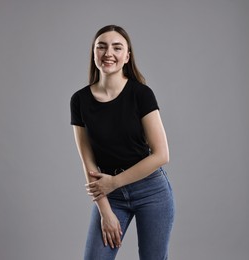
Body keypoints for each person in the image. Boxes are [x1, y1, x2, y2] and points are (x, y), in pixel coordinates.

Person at [70, 25, 174, 260]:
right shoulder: (79, 100)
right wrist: (105, 210)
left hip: (151, 191)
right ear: (94, 53)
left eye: (117, 48)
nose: (109, 53)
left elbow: (161, 155)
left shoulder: (141, 94)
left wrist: (114, 182)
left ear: (127, 56)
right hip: (110, 196)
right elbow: (88, 163)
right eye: (102, 46)